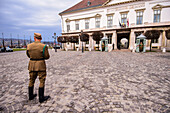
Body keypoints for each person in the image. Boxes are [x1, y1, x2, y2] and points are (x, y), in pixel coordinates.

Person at [26, 33, 50, 103]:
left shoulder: (29, 46)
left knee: (31, 80)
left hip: (32, 65)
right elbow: (47, 56)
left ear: (34, 38)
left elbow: (28, 55)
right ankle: (41, 98)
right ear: (41, 39)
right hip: (41, 65)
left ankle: (30, 96)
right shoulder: (43, 46)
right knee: (42, 80)